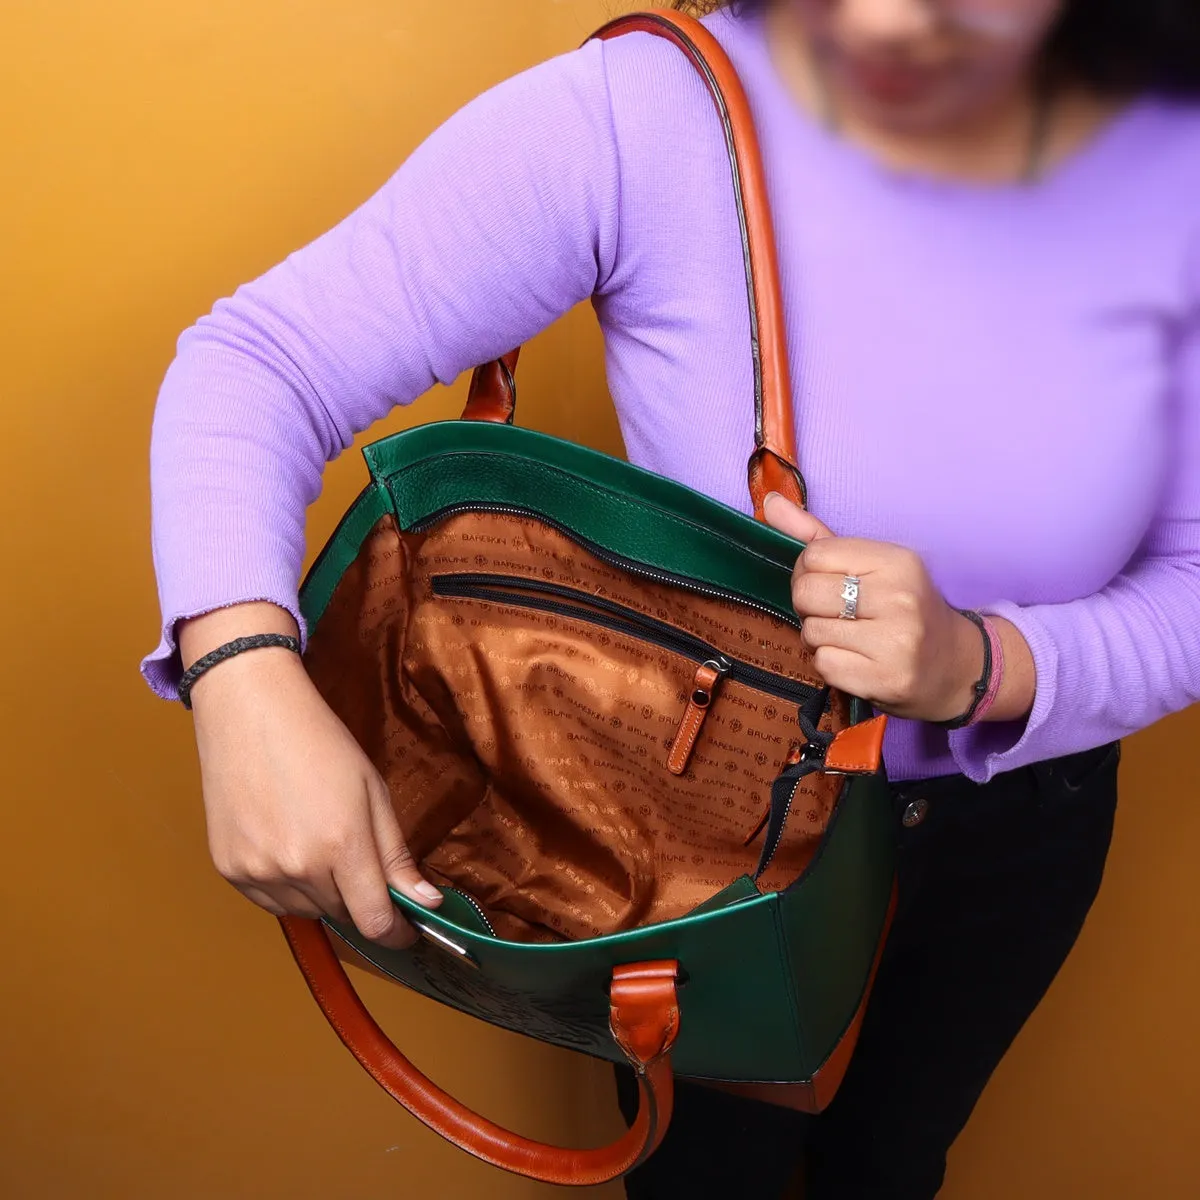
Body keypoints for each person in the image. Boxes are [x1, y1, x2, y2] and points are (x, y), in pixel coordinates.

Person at [143, 1, 1200, 1195]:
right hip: (714, 835)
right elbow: (259, 363)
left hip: (1027, 828)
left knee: (895, 1164)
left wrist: (982, 667)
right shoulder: (650, 116)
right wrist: (239, 677)